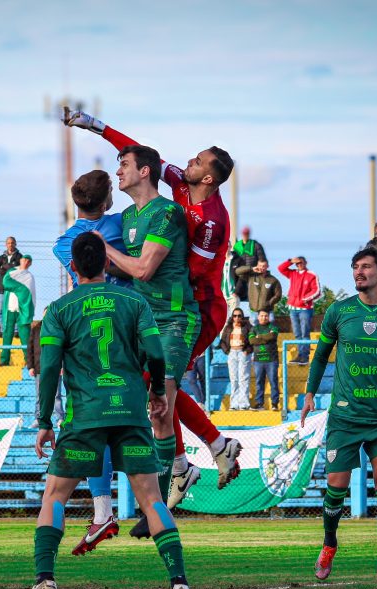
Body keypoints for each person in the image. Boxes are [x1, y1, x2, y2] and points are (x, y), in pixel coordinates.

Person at [64, 110, 243, 513]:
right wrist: (94, 125)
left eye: (197, 161)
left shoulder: (210, 220)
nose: (187, 163)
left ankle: (183, 468)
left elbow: (191, 271)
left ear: (209, 178)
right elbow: (140, 153)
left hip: (197, 305)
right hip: (164, 307)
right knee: (156, 387)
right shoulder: (178, 184)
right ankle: (212, 447)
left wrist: (149, 272)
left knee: (160, 389)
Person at [13, 231, 193, 589]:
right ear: (108, 264)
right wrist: (159, 394)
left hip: (85, 418)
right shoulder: (134, 301)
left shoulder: (60, 309)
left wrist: (45, 421)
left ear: (73, 267)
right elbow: (156, 352)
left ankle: (45, 576)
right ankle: (178, 580)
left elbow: (49, 370)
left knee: (54, 498)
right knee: (153, 501)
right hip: (129, 413)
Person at [300, 247, 377, 583]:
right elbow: (321, 355)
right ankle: (329, 544)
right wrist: (309, 394)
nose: (359, 272)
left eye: (366, 267)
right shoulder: (339, 311)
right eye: (355, 267)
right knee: (335, 490)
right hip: (344, 418)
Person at [53, 169, 131, 550]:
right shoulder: (124, 225)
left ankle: (104, 511)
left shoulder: (66, 242)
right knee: (150, 415)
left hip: (86, 342)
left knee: (93, 431)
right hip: (129, 332)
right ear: (108, 200)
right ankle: (167, 484)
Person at [278, 255, 321, 364]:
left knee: (304, 333)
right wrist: (290, 261)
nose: (299, 265)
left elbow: (317, 291)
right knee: (297, 334)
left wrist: (304, 299)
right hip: (293, 309)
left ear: (306, 263)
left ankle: (304, 356)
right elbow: (280, 268)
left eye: (301, 262)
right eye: (297, 263)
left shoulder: (311, 275)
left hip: (305, 309)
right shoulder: (293, 273)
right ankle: (300, 355)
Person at [0, 253, 35, 367]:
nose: (26, 262)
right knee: (7, 334)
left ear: (30, 264)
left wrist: (18, 288)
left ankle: (28, 361)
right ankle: (4, 360)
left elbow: (30, 294)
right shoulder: (12, 272)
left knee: (25, 336)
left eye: (28, 261)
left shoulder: (29, 276)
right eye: (24, 260)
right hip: (10, 308)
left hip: (22, 311)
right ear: (21, 260)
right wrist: (19, 288)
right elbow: (5, 283)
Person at [219, 309, 252, 410]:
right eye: (235, 316)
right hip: (232, 353)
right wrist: (227, 351)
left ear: (242, 316)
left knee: (244, 378)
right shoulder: (228, 327)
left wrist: (248, 350)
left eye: (239, 316)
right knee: (234, 379)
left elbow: (253, 339)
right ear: (232, 317)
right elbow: (222, 341)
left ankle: (244, 404)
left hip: (243, 353)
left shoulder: (248, 326)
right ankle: (234, 404)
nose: (237, 318)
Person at [249, 309, 280, 411]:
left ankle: (275, 404)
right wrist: (266, 338)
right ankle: (259, 404)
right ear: (258, 317)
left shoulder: (273, 327)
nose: (264, 317)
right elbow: (252, 340)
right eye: (261, 316)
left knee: (273, 382)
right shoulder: (254, 328)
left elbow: (273, 335)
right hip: (258, 361)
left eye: (266, 316)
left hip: (272, 360)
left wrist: (260, 337)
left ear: (268, 317)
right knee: (259, 383)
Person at [229, 226, 267, 303]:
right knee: (238, 297)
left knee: (253, 298)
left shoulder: (256, 245)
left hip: (253, 275)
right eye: (244, 233)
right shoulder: (237, 246)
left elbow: (262, 259)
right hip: (240, 276)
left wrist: (260, 268)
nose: (245, 235)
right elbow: (233, 259)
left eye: (247, 234)